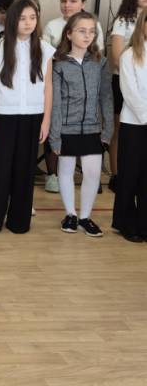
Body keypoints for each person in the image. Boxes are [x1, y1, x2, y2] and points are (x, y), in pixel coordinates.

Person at [0, 0, 54, 234]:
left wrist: (46, 120)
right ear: (12, 20)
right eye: (22, 18)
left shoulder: (44, 49)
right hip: (3, 116)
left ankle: (19, 221)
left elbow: (48, 87)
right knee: (0, 170)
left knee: (25, 169)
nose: (28, 23)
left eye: (32, 18)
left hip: (33, 116)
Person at [49, 12, 113, 238]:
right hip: (66, 128)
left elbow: (106, 97)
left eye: (92, 32)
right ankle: (70, 214)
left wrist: (108, 129)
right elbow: (55, 102)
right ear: (69, 34)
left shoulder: (100, 62)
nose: (88, 36)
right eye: (82, 31)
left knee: (93, 174)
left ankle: (85, 217)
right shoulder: (57, 63)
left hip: (92, 128)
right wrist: (55, 135)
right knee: (65, 172)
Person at [41, 0, 105, 193]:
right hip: (58, 81)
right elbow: (46, 55)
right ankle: (53, 174)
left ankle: (90, 175)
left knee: (87, 136)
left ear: (83, 3)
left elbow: (97, 54)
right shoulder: (52, 25)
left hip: (85, 87)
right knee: (55, 123)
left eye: (73, 1)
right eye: (64, 1)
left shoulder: (94, 24)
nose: (67, 5)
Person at [108, 0, 147, 191]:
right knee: (120, 129)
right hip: (123, 79)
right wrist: (131, 69)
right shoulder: (124, 20)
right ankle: (117, 174)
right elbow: (116, 56)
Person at [112, 9, 147, 242]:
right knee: (130, 174)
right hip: (135, 123)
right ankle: (125, 222)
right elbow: (130, 92)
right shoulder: (129, 54)